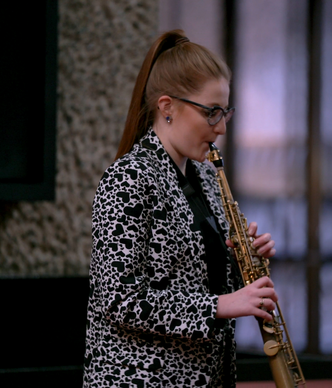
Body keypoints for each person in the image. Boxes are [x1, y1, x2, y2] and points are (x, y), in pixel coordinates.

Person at [83, 29, 279, 387]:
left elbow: (199, 283)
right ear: (167, 106)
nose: (220, 127)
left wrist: (244, 265)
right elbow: (121, 299)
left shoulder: (205, 176)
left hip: (203, 376)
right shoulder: (128, 178)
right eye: (211, 112)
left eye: (226, 112)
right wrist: (220, 306)